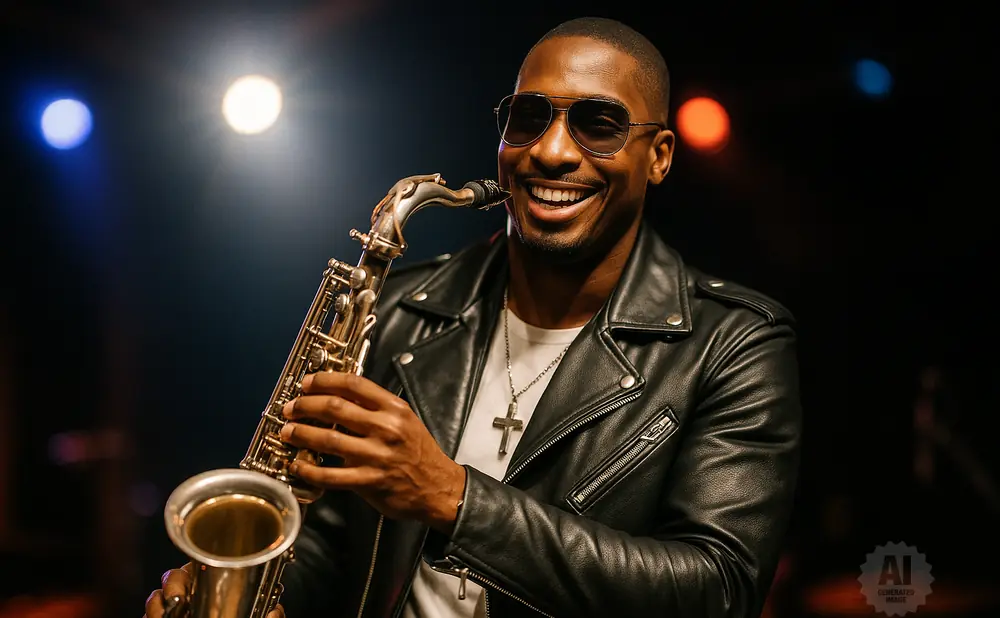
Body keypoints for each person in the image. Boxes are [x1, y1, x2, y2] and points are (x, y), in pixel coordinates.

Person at [145, 16, 801, 618]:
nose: (550, 152)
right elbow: (332, 548)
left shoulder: (736, 343)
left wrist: (455, 500)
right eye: (528, 118)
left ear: (658, 156)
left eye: (597, 125)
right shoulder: (397, 308)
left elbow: (716, 591)